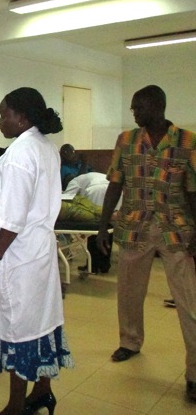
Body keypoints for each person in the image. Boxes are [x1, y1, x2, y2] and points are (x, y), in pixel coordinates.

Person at [95, 85, 196, 402]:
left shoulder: (187, 141)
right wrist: (102, 226)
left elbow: (193, 190)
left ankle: (194, 374)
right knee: (128, 291)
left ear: (157, 106)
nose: (134, 112)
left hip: (175, 229)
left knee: (189, 303)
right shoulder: (126, 141)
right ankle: (130, 341)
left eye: (138, 107)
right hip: (134, 228)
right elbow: (115, 184)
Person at [0, 87, 73, 415]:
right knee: (41, 322)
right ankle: (42, 392)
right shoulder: (45, 147)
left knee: (17, 327)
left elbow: (12, 218)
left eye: (4, 113)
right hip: (40, 252)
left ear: (22, 117)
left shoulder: (20, 154)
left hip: (18, 256)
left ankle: (15, 407)